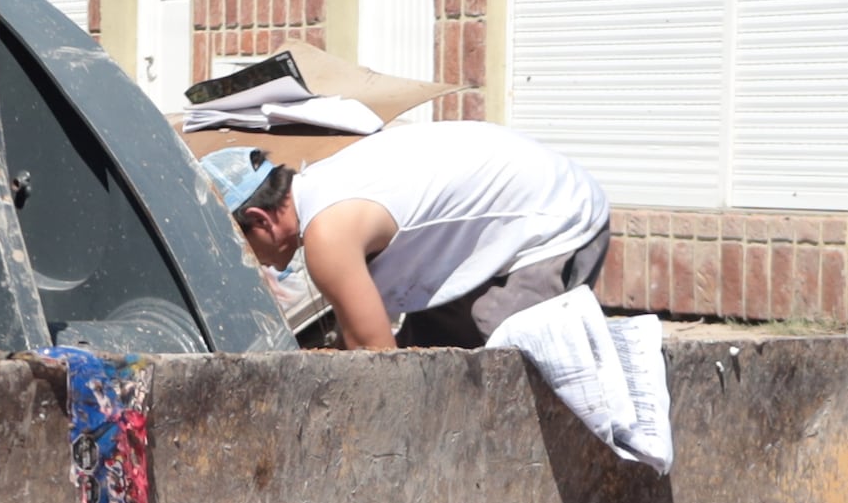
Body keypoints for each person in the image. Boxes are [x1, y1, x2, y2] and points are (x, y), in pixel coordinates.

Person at [225, 119, 613, 350]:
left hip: (556, 215)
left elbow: (376, 356)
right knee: (431, 345)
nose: (252, 260)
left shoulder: (327, 232)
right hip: (501, 219)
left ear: (261, 219)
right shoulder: (324, 186)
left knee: (504, 360)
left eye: (244, 247)